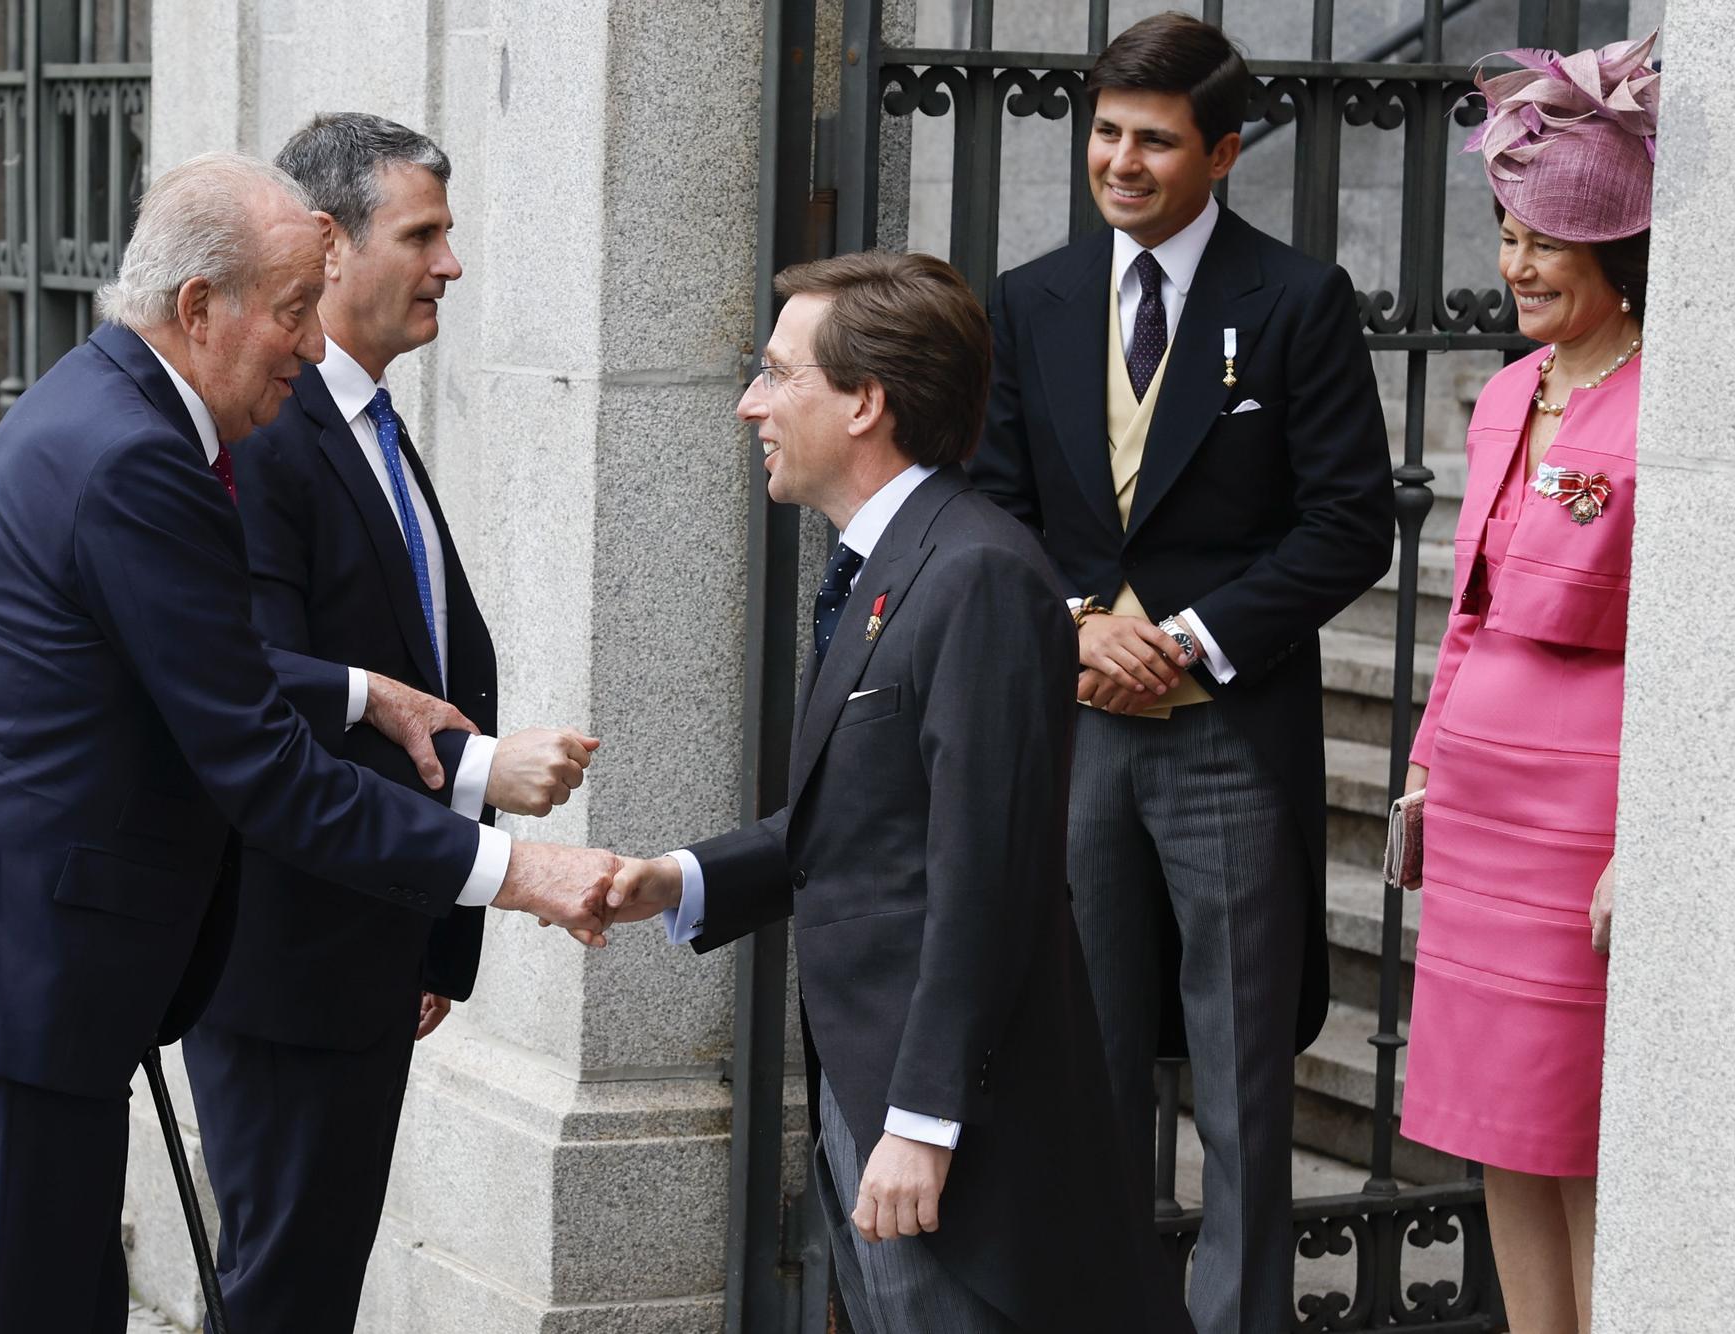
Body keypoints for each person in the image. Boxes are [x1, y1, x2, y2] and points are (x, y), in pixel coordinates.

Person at [0, 152, 618, 1333]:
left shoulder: (108, 403)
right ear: (201, 307)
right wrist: (520, 872)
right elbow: (258, 768)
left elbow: (159, 651)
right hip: (9, 960)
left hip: (12, 952)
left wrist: (358, 691)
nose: (307, 342)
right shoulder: (139, 454)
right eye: (293, 308)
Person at [603, 251, 1192, 1334]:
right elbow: (862, 823)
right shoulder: (893, 561)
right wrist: (676, 880)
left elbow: (989, 869)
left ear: (864, 401)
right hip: (870, 1078)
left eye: (777, 374)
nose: (750, 403)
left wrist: (921, 1118)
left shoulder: (973, 572)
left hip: (946, 1114)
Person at [967, 14, 1395, 1333]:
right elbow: (993, 509)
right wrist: (1085, 624)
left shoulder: (1298, 301)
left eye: (1154, 140)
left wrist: (1194, 639)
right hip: (1082, 726)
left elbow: (1347, 523)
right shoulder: (1028, 299)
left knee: (1242, 1071)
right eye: (1106, 132)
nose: (1121, 161)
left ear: (1223, 150)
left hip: (1230, 737)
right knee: (1081, 1057)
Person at [181, 114, 600, 1332]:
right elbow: (266, 690)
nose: (450, 266)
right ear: (328, 242)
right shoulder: (270, 434)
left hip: (365, 947)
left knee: (304, 1284)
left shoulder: (368, 424)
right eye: (423, 234)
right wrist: (475, 772)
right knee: (279, 1290)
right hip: (283, 959)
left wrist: (429, 941)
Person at [1400, 33, 1657, 1334]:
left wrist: (1650, 839)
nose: (1516, 267)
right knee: (1499, 1127)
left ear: (1614, 251)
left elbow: (1688, 650)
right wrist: (1429, 760)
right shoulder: (1504, 393)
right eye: (1507, 237)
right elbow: (1467, 608)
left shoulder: (1670, 405)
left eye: (1544, 242)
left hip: (1591, 810)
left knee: (1590, 1127)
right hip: (1487, 805)